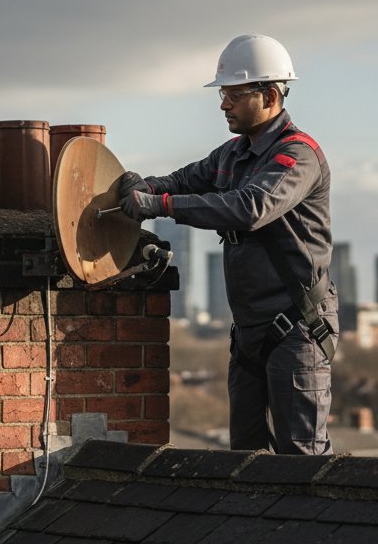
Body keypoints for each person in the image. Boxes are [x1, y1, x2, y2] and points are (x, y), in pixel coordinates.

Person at [119, 34, 337, 455]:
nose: (223, 105)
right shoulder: (233, 154)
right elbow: (184, 180)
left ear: (270, 94)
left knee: (301, 461)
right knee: (246, 459)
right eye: (223, 94)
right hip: (250, 331)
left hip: (295, 329)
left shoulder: (298, 157)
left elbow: (249, 207)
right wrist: (140, 187)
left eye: (234, 95)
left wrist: (158, 205)